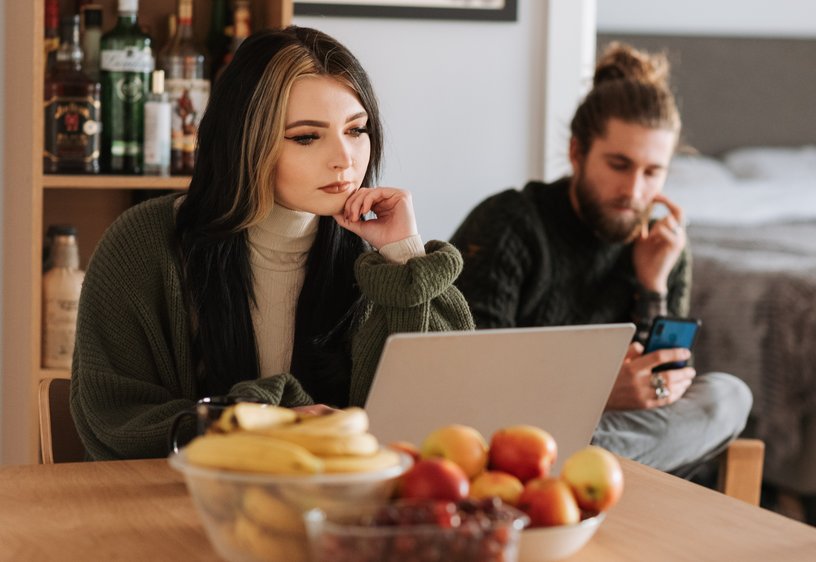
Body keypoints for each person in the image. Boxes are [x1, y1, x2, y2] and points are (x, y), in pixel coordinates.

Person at [70, 27, 474, 460]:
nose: (346, 158)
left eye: (357, 130)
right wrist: (270, 423)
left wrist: (404, 258)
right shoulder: (145, 244)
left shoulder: (373, 254)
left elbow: (444, 412)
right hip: (180, 504)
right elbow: (114, 416)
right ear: (245, 141)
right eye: (306, 137)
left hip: (341, 507)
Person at [451, 43, 752, 478]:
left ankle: (584, 466)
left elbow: (660, 386)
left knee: (729, 396)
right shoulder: (510, 223)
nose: (634, 191)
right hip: (512, 427)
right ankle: (593, 467)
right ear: (577, 153)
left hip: (604, 434)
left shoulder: (665, 247)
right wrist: (592, 393)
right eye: (619, 164)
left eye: (652, 172)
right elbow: (470, 376)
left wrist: (653, 286)